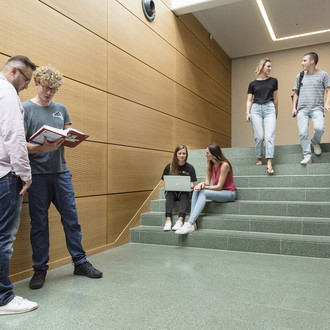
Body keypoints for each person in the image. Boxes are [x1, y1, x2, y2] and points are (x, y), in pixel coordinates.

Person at [23, 65, 102, 290]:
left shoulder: (61, 109)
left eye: (53, 89)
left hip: (61, 173)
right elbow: (21, 145)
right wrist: (43, 148)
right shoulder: (24, 109)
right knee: (39, 224)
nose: (49, 92)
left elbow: (67, 132)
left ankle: (80, 262)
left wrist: (70, 137)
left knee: (71, 219)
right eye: (46, 87)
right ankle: (40, 269)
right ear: (37, 83)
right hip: (37, 176)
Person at [0, 55, 38, 315]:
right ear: (15, 71)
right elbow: (13, 137)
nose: (25, 87)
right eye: (26, 80)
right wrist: (25, 174)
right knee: (4, 239)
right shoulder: (8, 95)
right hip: (6, 176)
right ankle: (4, 298)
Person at [176, 143, 236, 235]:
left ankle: (190, 222)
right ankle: (192, 223)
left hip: (229, 193)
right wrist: (201, 184)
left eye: (207, 153)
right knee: (197, 189)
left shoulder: (225, 165)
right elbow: (207, 182)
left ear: (214, 154)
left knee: (203, 192)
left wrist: (204, 187)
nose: (205, 155)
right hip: (218, 191)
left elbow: (219, 186)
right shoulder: (209, 164)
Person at [291, 52, 330, 165]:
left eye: (304, 60)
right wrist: (294, 108)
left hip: (317, 108)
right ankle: (307, 156)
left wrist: (327, 103)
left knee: (319, 128)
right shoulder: (300, 76)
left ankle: (315, 141)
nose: (302, 62)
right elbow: (296, 93)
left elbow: (328, 90)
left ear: (312, 61)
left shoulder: (324, 75)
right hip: (302, 109)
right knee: (303, 133)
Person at [246, 58, 278, 175]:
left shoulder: (274, 81)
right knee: (259, 136)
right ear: (262, 67)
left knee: (269, 136)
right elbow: (249, 100)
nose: (270, 68)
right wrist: (247, 112)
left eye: (270, 66)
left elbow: (275, 97)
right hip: (256, 109)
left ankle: (269, 162)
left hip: (270, 108)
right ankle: (259, 157)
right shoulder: (252, 84)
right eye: (268, 66)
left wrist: (276, 110)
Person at [161, 145, 197, 231]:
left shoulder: (190, 168)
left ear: (186, 154)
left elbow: (192, 184)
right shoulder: (169, 167)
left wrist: (185, 185)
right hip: (172, 192)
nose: (182, 155)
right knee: (169, 192)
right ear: (176, 154)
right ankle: (168, 221)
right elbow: (165, 182)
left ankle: (180, 221)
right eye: (179, 153)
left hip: (183, 193)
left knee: (185, 193)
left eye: (184, 153)